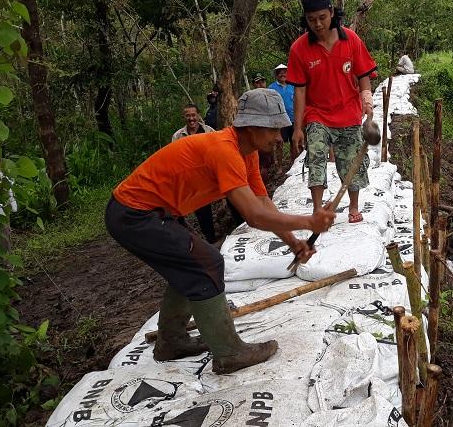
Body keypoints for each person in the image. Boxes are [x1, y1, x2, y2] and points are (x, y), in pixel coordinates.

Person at [105, 89, 335, 374]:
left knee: (191, 265)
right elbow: (253, 216)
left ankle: (172, 342)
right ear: (251, 126)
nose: (279, 137)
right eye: (274, 129)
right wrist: (309, 222)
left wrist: (294, 242)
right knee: (207, 263)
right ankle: (229, 353)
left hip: (152, 212)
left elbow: (262, 203)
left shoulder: (245, 152)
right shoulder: (224, 150)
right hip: (133, 213)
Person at [287, 0, 377, 223]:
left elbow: (363, 73)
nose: (317, 24)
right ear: (305, 20)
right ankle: (318, 209)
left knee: (351, 160)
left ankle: (353, 207)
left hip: (348, 111)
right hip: (317, 113)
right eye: (311, 19)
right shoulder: (299, 48)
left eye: (322, 17)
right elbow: (299, 90)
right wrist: (298, 127)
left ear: (332, 13)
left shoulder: (351, 40)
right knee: (315, 156)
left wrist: (367, 99)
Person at [172, 104, 217, 243]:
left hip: (211, 174)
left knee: (232, 196)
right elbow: (175, 159)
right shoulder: (178, 136)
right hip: (193, 178)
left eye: (193, 115)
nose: (191, 118)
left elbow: (218, 152)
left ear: (198, 115)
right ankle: (211, 239)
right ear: (184, 117)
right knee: (202, 209)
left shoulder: (209, 132)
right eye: (188, 115)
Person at [269, 63, 297, 166]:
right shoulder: (272, 88)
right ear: (276, 75)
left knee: (294, 142)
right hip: (280, 121)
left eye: (284, 72)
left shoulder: (293, 85)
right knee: (279, 143)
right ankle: (279, 166)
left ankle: (294, 164)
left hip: (293, 118)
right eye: (280, 72)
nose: (282, 74)